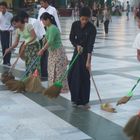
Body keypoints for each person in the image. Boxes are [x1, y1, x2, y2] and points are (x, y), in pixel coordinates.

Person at [68, 7, 96, 109]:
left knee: (84, 78)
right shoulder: (75, 25)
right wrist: (77, 45)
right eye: (82, 19)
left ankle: (84, 101)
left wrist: (88, 62)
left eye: (86, 19)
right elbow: (71, 38)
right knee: (71, 76)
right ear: (79, 17)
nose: (84, 21)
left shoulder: (92, 28)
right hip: (77, 53)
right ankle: (75, 99)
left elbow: (90, 46)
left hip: (85, 56)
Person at [38, 12, 68, 92]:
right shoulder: (48, 28)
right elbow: (46, 39)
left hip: (58, 52)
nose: (42, 23)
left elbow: (50, 41)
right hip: (52, 52)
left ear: (48, 20)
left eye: (43, 21)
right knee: (51, 69)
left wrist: (42, 50)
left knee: (59, 70)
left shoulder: (53, 28)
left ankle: (61, 88)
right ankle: (53, 86)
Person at [17, 11, 48, 81]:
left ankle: (43, 75)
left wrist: (25, 43)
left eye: (21, 19)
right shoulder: (25, 23)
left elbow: (34, 35)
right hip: (31, 41)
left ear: (25, 18)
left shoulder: (34, 22)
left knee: (41, 58)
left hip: (40, 40)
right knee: (31, 59)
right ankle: (31, 74)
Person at [0, 1, 13, 66]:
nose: (2, 10)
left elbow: (13, 24)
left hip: (8, 32)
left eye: (3, 8)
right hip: (2, 32)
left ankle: (8, 61)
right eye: (1, 8)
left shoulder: (10, 15)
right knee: (3, 46)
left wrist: (11, 29)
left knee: (8, 46)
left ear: (6, 8)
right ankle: (4, 61)